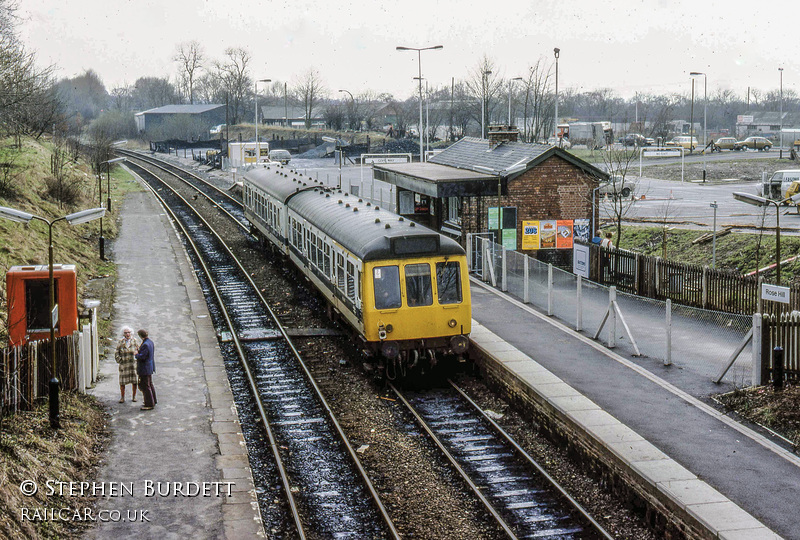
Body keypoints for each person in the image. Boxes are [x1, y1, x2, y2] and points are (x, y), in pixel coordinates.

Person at [114, 326, 139, 403]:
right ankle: (122, 397)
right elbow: (116, 353)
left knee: (134, 381)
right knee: (122, 382)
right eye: (126, 333)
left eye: (129, 332)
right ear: (123, 334)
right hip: (124, 365)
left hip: (132, 365)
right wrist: (120, 360)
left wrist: (136, 358)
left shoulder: (135, 341)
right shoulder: (120, 342)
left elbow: (138, 350)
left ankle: (134, 396)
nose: (127, 334)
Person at [135, 329, 157, 411]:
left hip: (145, 368)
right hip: (149, 367)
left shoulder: (145, 345)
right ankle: (153, 400)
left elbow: (142, 357)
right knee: (150, 384)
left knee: (145, 386)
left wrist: (136, 354)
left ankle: (149, 404)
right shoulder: (150, 342)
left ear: (140, 336)